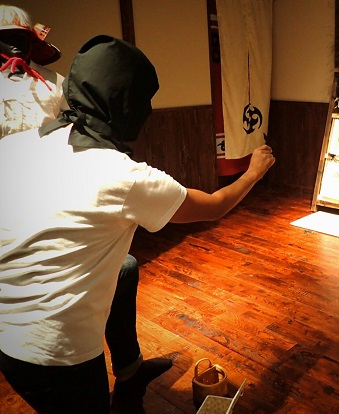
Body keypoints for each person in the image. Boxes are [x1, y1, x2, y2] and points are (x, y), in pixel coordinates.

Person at [0, 34, 275, 413]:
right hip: (56, 355)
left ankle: (130, 370)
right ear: (128, 107)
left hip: (6, 333)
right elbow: (214, 206)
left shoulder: (16, 145)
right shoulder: (124, 176)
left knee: (125, 267)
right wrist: (254, 172)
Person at [0, 4, 65, 139]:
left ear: (31, 40)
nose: (17, 41)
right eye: (8, 36)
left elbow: (70, 127)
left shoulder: (56, 81)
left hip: (46, 151)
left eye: (23, 36)